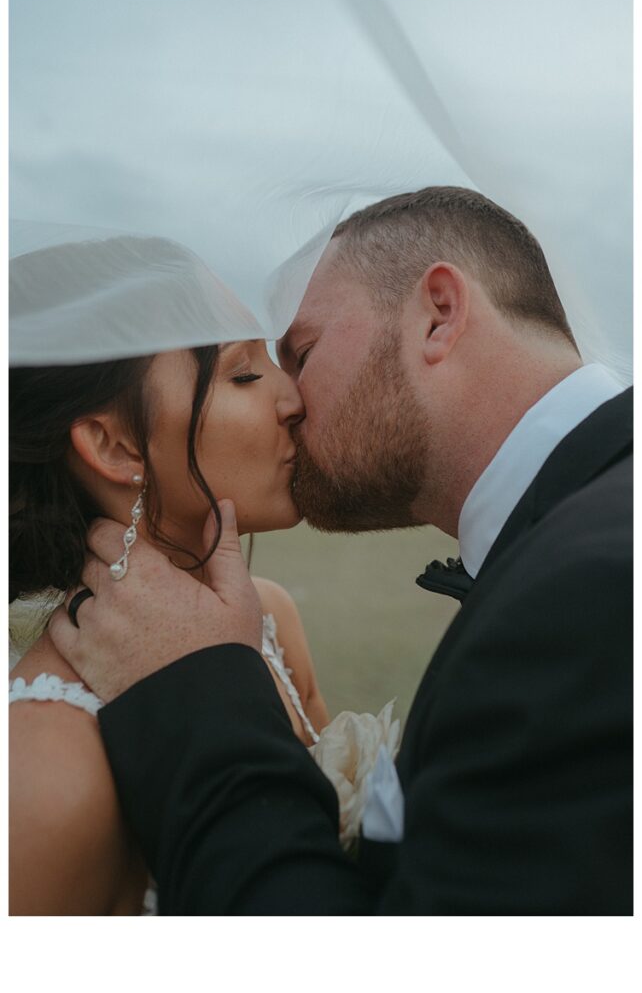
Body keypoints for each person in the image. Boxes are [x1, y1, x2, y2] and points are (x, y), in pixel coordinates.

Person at [51, 187, 632, 914]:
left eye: (302, 351)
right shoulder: (586, 539)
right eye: (248, 371)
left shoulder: (591, 590)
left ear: (440, 315)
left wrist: (197, 691)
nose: (289, 400)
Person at [9, 231, 341, 914]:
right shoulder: (41, 769)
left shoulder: (270, 618)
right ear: (113, 444)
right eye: (244, 374)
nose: (294, 399)